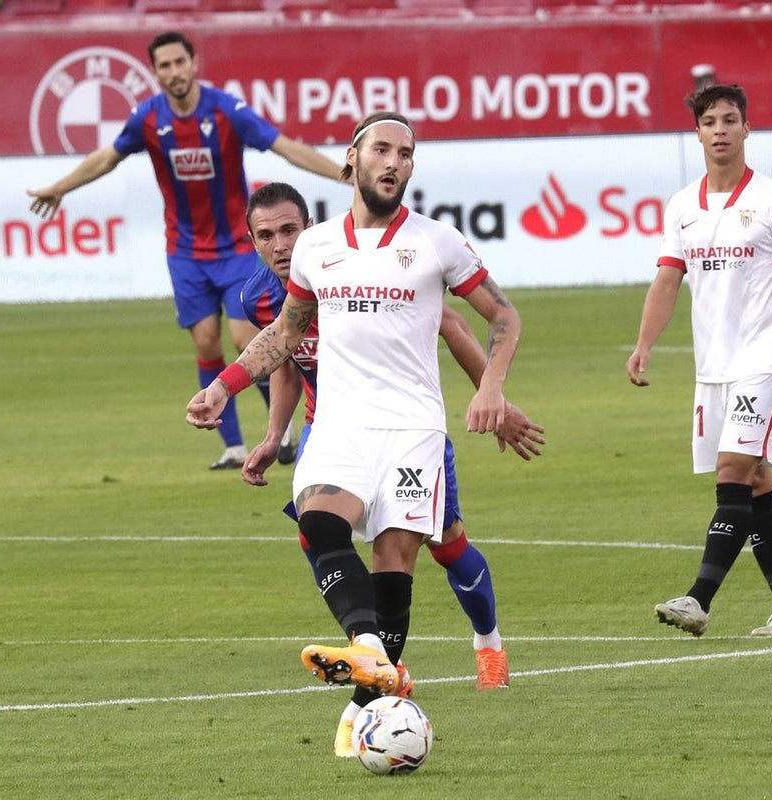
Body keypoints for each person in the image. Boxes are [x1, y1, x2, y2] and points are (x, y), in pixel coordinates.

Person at [185, 111, 523, 746]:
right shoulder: (317, 248)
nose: (394, 162)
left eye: (406, 153)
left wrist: (492, 389)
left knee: (396, 564)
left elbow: (503, 317)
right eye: (382, 150)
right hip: (338, 424)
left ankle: (370, 704)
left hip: (412, 430)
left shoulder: (437, 241)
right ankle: (368, 649)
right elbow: (286, 334)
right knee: (318, 524)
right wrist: (223, 386)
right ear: (353, 158)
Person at [27, 31, 341, 471]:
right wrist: (60, 187)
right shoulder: (148, 119)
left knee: (245, 336)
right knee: (207, 341)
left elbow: (285, 146)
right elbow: (107, 157)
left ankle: (280, 427)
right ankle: (232, 445)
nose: (174, 72)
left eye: (180, 62)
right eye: (165, 65)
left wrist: (344, 175)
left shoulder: (226, 111)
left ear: (194, 63)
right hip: (186, 250)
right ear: (154, 72)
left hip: (237, 248)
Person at [626, 83, 772, 637]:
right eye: (709, 122)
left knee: (731, 473)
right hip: (712, 368)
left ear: (746, 129)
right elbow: (667, 281)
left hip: (764, 360)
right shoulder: (682, 206)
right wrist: (643, 344)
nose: (720, 131)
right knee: (755, 482)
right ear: (697, 133)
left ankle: (698, 599)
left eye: (730, 120)